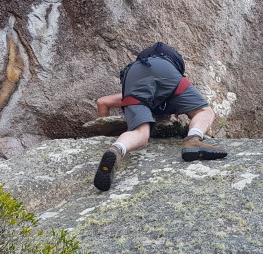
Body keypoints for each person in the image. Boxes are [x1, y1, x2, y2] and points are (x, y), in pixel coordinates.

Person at [94, 42, 227, 191]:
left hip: (134, 73)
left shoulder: (138, 88)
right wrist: (208, 133)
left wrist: (103, 136)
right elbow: (201, 114)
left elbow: (102, 102)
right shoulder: (171, 86)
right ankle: (193, 140)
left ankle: (116, 149)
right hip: (166, 70)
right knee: (205, 111)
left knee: (141, 134)